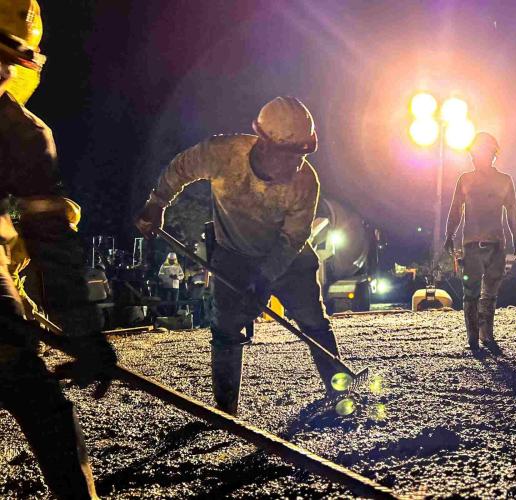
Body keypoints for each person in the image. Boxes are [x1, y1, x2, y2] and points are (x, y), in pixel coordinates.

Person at [135, 96, 343, 415]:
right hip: (234, 254)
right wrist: (156, 203)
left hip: (289, 259)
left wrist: (264, 278)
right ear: (264, 143)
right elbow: (181, 168)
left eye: (303, 154)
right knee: (226, 329)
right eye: (290, 154)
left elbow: (293, 238)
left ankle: (340, 389)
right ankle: (226, 410)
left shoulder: (305, 182)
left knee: (313, 321)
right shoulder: (223, 154)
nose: (297, 164)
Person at [0, 2, 116, 498]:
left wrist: (85, 333)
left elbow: (50, 240)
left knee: (31, 388)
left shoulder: (22, 134)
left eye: (6, 62)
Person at [444, 132, 516, 353]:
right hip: (473, 245)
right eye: (474, 153)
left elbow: (512, 213)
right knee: (471, 292)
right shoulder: (465, 180)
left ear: (491, 154)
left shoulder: (504, 181)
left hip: (495, 245)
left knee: (489, 293)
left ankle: (485, 335)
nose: (475, 157)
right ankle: (474, 337)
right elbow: (455, 211)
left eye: (479, 152)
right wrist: (449, 234)